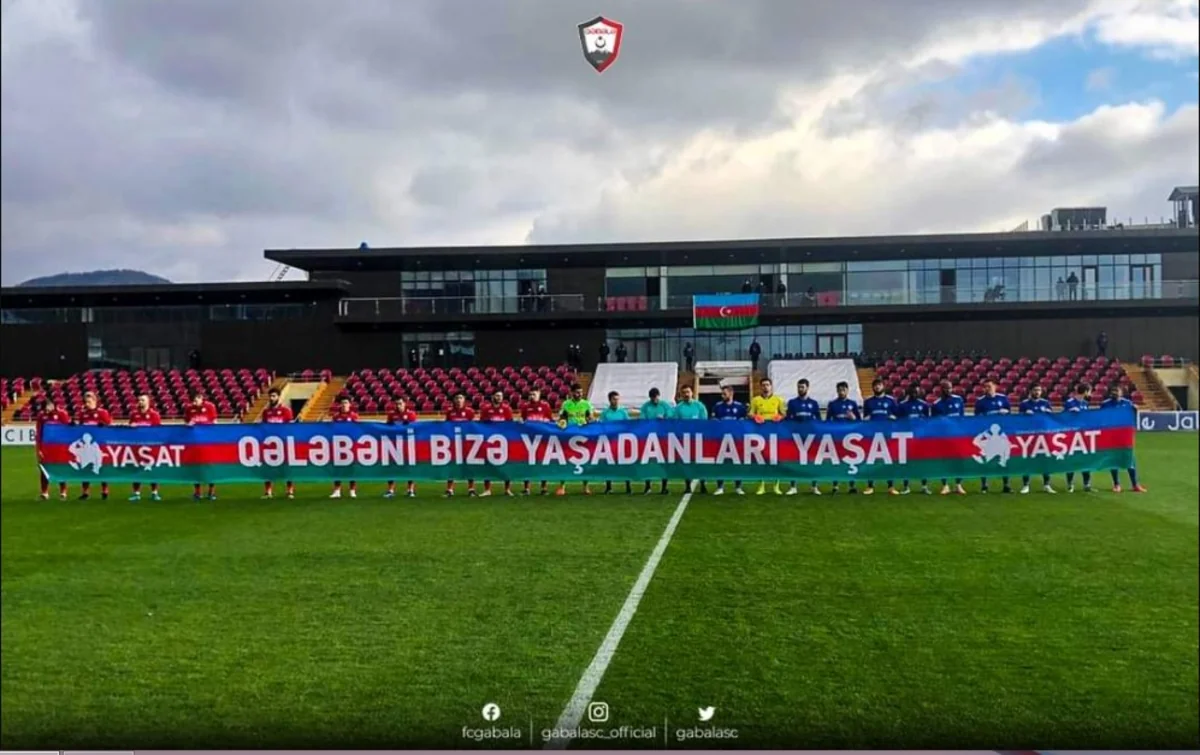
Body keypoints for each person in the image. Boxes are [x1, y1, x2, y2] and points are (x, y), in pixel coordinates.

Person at [1100, 384, 1147, 493]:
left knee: (1130, 458)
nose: (1115, 393)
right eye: (1113, 391)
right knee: (1113, 460)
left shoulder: (1127, 403)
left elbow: (1132, 417)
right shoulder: (1105, 404)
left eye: (1117, 391)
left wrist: (1135, 411)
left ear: (1121, 393)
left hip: (1124, 435)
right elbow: (1101, 419)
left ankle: (1135, 484)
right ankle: (1116, 484)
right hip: (1111, 434)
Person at [862, 378, 900, 495]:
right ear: (873, 388)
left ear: (883, 386)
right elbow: (865, 418)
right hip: (873, 435)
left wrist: (894, 418)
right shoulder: (868, 402)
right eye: (875, 385)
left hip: (887, 435)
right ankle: (870, 486)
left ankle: (891, 486)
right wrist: (866, 419)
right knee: (871, 460)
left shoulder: (891, 401)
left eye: (879, 385)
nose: (877, 387)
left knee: (889, 461)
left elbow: (898, 417)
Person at [784, 379, 822, 495]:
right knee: (794, 461)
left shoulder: (814, 403)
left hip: (810, 437)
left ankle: (814, 486)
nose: (800, 389)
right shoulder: (792, 403)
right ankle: (793, 486)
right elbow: (788, 419)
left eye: (802, 387)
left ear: (807, 388)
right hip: (796, 436)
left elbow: (819, 420)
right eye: (799, 387)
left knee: (812, 461)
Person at [974, 379, 1013, 494]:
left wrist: (1006, 412)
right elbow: (977, 418)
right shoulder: (980, 401)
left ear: (995, 387)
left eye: (989, 386)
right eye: (985, 387)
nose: (987, 389)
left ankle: (1006, 485)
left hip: (1001, 435)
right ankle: (984, 485)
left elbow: (1010, 415)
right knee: (986, 460)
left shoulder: (1003, 398)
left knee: (1004, 459)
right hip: (988, 436)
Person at [1018, 385, 1056, 494]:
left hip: (1043, 436)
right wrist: (1024, 414)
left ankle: (1047, 485)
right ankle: (1026, 485)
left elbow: (1051, 418)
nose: (1037, 392)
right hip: (1029, 436)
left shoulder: (1045, 403)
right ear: (1031, 391)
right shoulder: (1024, 404)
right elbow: (1018, 420)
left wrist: (1049, 413)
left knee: (1045, 460)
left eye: (1039, 390)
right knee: (1028, 460)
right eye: (1035, 390)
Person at [749, 377, 785, 495]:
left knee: (775, 459)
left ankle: (776, 486)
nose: (765, 387)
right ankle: (761, 486)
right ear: (760, 387)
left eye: (767, 385)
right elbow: (750, 414)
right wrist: (755, 417)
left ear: (771, 386)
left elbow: (784, 414)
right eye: (763, 385)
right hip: (760, 433)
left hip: (775, 434)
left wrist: (780, 417)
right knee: (761, 459)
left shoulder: (778, 400)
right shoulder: (755, 400)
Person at [712, 384, 749, 496]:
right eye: (722, 394)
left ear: (731, 393)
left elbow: (744, 421)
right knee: (720, 462)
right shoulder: (717, 406)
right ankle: (720, 487)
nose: (722, 395)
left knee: (737, 462)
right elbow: (713, 420)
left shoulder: (740, 407)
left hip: (736, 439)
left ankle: (738, 487)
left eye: (724, 394)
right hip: (721, 438)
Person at [558, 383, 594, 496]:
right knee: (565, 461)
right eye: (577, 392)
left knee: (585, 461)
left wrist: (590, 420)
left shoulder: (587, 404)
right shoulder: (566, 404)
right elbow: (562, 418)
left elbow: (591, 418)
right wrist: (562, 423)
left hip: (583, 437)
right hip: (569, 436)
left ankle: (586, 486)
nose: (580, 394)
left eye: (581, 392)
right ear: (572, 392)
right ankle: (562, 486)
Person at [932, 380, 967, 495]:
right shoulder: (936, 404)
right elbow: (934, 423)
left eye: (950, 388)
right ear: (941, 389)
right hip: (943, 437)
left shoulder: (958, 400)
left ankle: (958, 485)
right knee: (944, 461)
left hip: (957, 436)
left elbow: (962, 417)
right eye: (946, 388)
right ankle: (945, 485)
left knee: (960, 460)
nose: (948, 390)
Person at [76, 390, 113, 500]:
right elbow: (80, 429)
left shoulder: (102, 413)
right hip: (86, 446)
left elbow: (110, 426)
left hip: (99, 445)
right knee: (85, 467)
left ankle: (105, 490)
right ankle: (85, 492)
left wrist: (104, 425)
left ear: (95, 401)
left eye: (89, 402)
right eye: (86, 402)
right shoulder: (83, 414)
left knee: (101, 467)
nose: (87, 404)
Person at [826, 381, 861, 494]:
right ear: (837, 391)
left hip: (850, 437)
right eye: (840, 390)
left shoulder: (853, 404)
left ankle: (852, 485)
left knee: (851, 461)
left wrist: (853, 418)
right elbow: (827, 421)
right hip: (837, 437)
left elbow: (859, 421)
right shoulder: (832, 404)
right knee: (836, 461)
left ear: (847, 390)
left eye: (843, 390)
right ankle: (835, 485)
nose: (841, 392)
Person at [261, 387, 296, 499]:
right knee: (268, 468)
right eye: (270, 396)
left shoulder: (286, 410)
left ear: (278, 397)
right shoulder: (266, 412)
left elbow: (290, 427)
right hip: (270, 444)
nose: (271, 398)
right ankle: (268, 492)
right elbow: (263, 427)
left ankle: (290, 490)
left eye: (274, 396)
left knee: (286, 467)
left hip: (283, 443)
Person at [518, 388, 555, 495]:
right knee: (528, 464)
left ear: (539, 394)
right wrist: (520, 422)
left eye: (534, 394)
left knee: (543, 463)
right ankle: (526, 488)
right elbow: (522, 420)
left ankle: (544, 488)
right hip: (529, 440)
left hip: (542, 440)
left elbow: (550, 421)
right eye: (530, 394)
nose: (532, 396)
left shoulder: (545, 406)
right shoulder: (525, 406)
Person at [897, 385, 932, 495]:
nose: (914, 393)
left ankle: (924, 486)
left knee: (922, 463)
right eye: (912, 391)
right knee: (906, 463)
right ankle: (906, 486)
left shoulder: (924, 405)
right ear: (908, 392)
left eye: (916, 391)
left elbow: (927, 421)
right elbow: (898, 422)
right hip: (906, 438)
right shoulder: (902, 405)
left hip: (920, 438)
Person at [674, 384, 709, 494]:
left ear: (692, 392)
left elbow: (704, 422)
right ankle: (688, 485)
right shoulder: (678, 408)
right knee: (686, 463)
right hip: (684, 440)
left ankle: (703, 484)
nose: (686, 394)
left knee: (700, 462)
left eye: (688, 392)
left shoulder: (699, 406)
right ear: (681, 394)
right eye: (684, 392)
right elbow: (675, 423)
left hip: (698, 439)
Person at [479, 391, 515, 497]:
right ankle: (487, 490)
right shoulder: (486, 409)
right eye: (497, 395)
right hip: (489, 441)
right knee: (487, 465)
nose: (499, 397)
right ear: (492, 396)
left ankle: (507, 489)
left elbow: (511, 424)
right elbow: (481, 424)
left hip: (503, 441)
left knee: (506, 465)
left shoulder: (507, 409)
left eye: (500, 396)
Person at [639, 387, 674, 495]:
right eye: (653, 398)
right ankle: (647, 486)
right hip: (650, 438)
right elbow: (642, 420)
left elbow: (671, 416)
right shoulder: (646, 406)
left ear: (659, 396)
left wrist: (664, 418)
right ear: (650, 398)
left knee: (664, 462)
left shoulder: (665, 405)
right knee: (648, 462)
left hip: (663, 438)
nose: (655, 400)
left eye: (656, 397)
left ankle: (664, 487)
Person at [127, 393, 163, 501]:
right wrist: (131, 427)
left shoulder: (154, 415)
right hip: (137, 446)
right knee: (136, 469)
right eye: (139, 400)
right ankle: (136, 493)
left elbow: (158, 431)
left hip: (151, 446)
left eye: (142, 400)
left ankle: (154, 492)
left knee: (152, 470)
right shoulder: (134, 415)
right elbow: (129, 430)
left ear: (148, 402)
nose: (140, 402)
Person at [35, 395, 71, 500]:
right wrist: (39, 449)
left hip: (60, 446)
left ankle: (63, 491)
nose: (46, 411)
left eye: (47, 409)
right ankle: (44, 492)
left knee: (61, 468)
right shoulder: (41, 416)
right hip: (46, 446)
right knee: (44, 468)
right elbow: (39, 433)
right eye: (44, 410)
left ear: (52, 405)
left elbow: (68, 430)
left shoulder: (62, 414)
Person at [185, 390, 219, 500]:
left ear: (201, 397)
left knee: (210, 467)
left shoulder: (210, 407)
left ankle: (211, 491)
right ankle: (197, 492)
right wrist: (188, 425)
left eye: (196, 401)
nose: (194, 403)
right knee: (195, 467)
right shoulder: (189, 408)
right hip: (194, 443)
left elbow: (215, 423)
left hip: (208, 443)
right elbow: (186, 423)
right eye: (192, 401)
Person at [598, 391, 633, 494]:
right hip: (609, 442)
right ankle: (609, 487)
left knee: (625, 464)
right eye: (614, 399)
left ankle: (628, 486)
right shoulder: (605, 413)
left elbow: (628, 425)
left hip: (621, 442)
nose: (616, 401)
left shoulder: (623, 412)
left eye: (617, 399)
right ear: (609, 400)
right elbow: (601, 426)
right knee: (608, 464)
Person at [1063, 383, 1096, 493]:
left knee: (1085, 459)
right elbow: (1063, 418)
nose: (1090, 394)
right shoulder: (1069, 403)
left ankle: (1087, 484)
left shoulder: (1085, 403)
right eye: (1090, 391)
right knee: (1071, 460)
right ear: (1085, 391)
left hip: (1084, 435)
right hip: (1072, 435)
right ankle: (1070, 484)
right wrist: (1070, 412)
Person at [444, 393, 477, 497]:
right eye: (457, 398)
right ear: (454, 400)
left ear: (464, 400)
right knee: (452, 465)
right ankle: (450, 489)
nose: (458, 400)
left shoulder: (470, 412)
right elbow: (446, 426)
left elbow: (474, 426)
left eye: (461, 398)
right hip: (453, 442)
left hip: (467, 442)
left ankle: (471, 489)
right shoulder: (450, 412)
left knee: (469, 465)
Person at [384, 398, 418, 498]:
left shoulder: (411, 414)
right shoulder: (391, 415)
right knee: (392, 467)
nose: (398, 406)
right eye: (396, 404)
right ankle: (390, 490)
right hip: (394, 444)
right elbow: (387, 428)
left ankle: (410, 490)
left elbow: (415, 428)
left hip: (407, 443)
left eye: (400, 403)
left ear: (405, 404)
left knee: (409, 467)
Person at [328, 396, 360, 499]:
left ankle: (352, 490)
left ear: (350, 404)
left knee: (351, 468)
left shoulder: (354, 416)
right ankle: (337, 491)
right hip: (338, 445)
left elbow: (357, 430)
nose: (344, 404)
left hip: (351, 446)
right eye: (342, 403)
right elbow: (332, 430)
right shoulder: (336, 416)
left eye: (346, 402)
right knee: (337, 468)